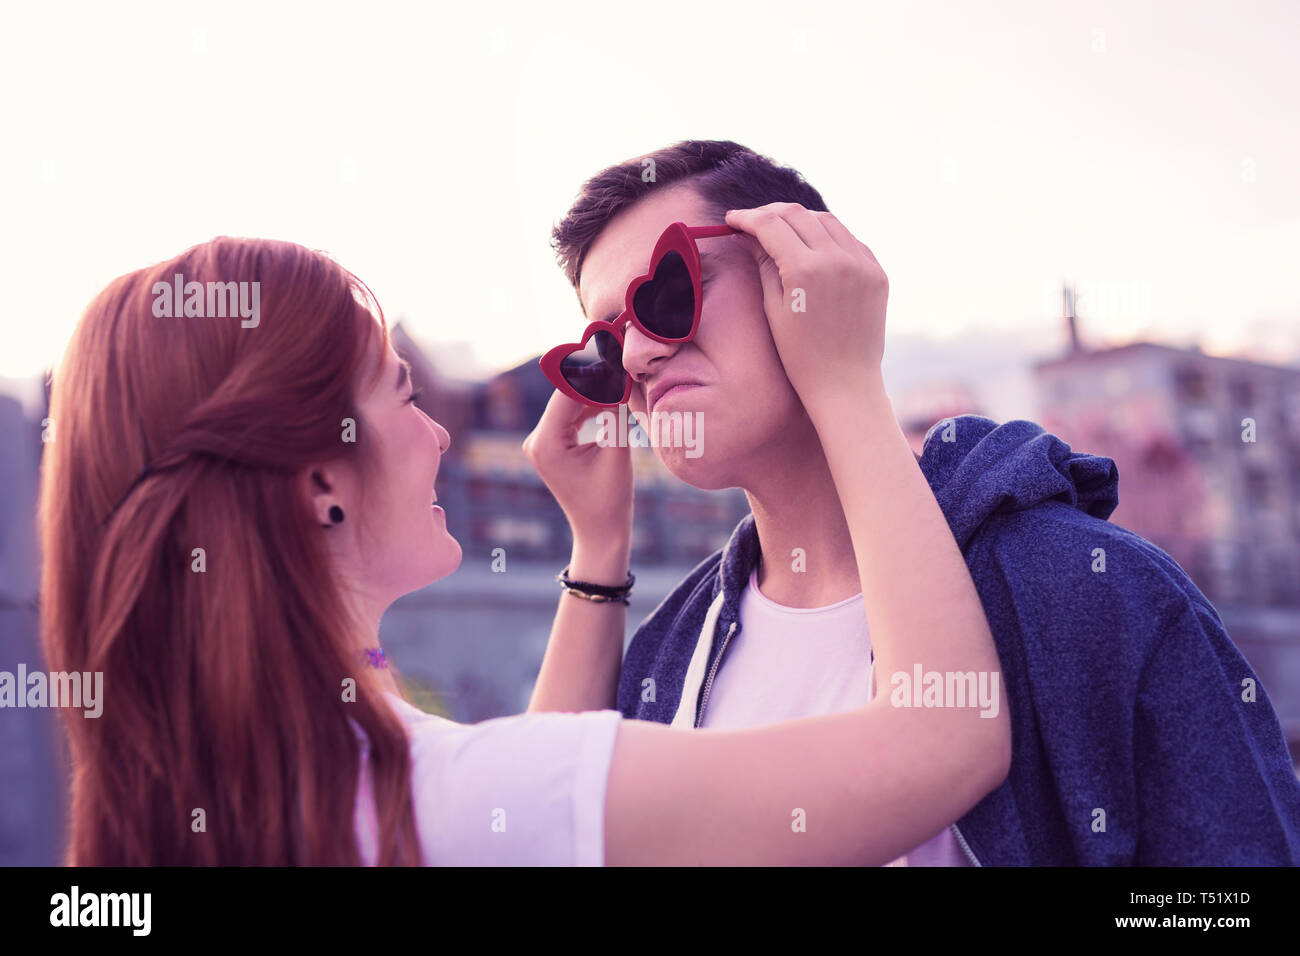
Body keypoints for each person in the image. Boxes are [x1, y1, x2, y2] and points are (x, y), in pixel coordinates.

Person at [38, 234, 1008, 866]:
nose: (440, 437)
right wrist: (846, 381)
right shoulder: (444, 794)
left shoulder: (197, 809)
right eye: (404, 394)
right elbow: (943, 740)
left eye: (670, 290)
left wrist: (597, 551)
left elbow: (530, 818)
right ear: (322, 483)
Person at [528, 139, 1300, 865]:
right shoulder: (673, 649)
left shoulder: (1087, 590)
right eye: (603, 342)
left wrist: (846, 376)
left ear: (800, 268)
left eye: (667, 290)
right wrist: (595, 548)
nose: (636, 356)